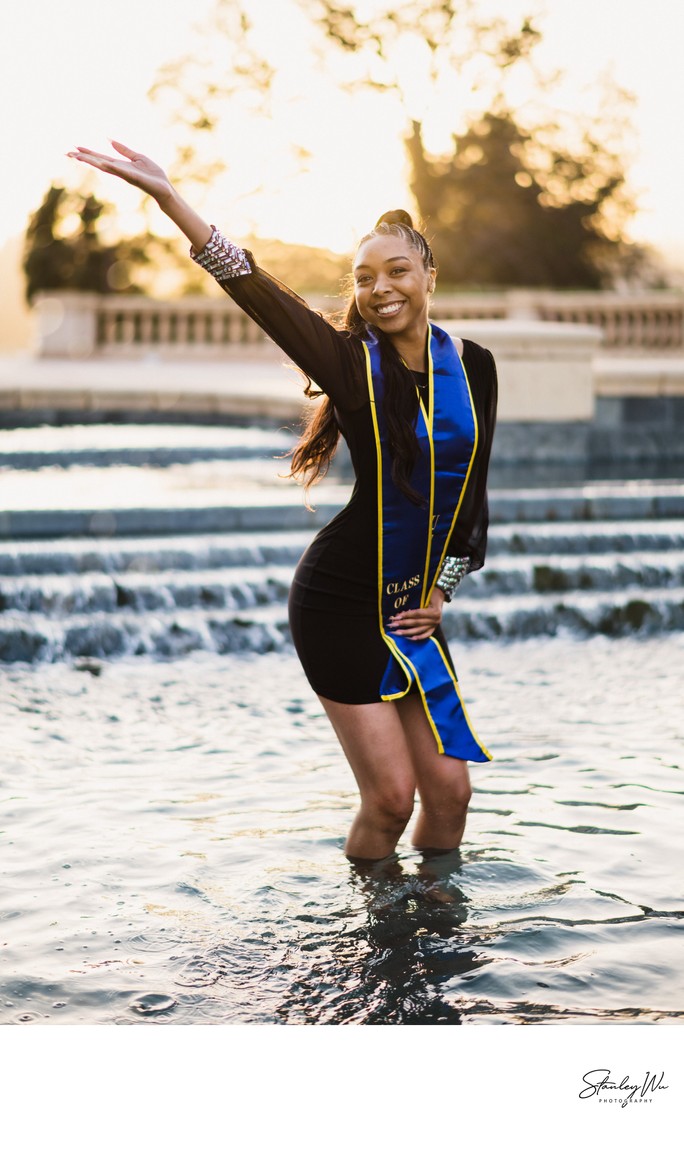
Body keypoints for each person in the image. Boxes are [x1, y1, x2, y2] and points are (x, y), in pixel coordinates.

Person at [68, 141, 498, 864]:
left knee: (451, 793)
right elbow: (258, 290)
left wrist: (442, 591)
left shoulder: (475, 367)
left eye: (397, 270)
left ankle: (432, 929)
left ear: (429, 275)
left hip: (412, 603)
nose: (381, 288)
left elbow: (472, 495)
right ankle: (378, 928)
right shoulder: (352, 367)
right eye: (364, 278)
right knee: (391, 798)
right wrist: (173, 201)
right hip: (338, 600)